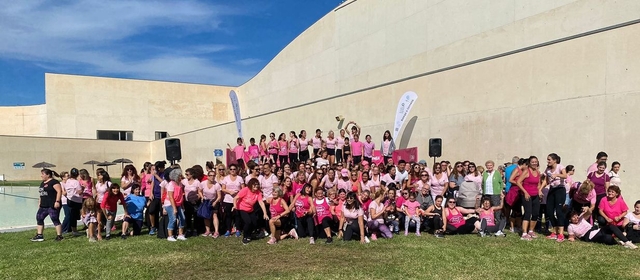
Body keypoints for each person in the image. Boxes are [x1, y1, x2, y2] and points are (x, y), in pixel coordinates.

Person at [31, 169, 64, 242]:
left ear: (48, 175)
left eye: (43, 174)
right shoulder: (42, 183)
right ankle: (39, 235)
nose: (41, 175)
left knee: (55, 219)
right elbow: (41, 194)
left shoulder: (54, 182)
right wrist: (39, 202)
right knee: (39, 218)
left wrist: (57, 201)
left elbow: (59, 191)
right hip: (44, 205)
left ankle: (59, 236)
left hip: (52, 205)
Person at [233, 178, 269, 245]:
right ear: (251, 185)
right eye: (254, 185)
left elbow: (261, 202)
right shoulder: (245, 190)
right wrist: (234, 206)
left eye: (257, 184)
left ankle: (249, 235)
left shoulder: (258, 193)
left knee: (254, 223)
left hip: (250, 209)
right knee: (248, 222)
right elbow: (236, 198)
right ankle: (245, 237)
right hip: (242, 208)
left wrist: (265, 213)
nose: (256, 186)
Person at [515, 156, 542, 241]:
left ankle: (531, 231)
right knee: (528, 213)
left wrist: (539, 191)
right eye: (532, 162)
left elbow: (538, 184)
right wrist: (525, 192)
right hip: (526, 195)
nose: (534, 163)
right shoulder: (526, 171)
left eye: (536, 162)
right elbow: (518, 182)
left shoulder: (538, 172)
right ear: (529, 163)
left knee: (535, 213)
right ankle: (524, 233)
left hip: (535, 195)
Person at [542, 153, 568, 242]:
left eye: (549, 159)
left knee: (559, 211)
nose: (548, 161)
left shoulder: (560, 167)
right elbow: (546, 181)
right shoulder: (548, 169)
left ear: (555, 160)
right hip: (552, 190)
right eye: (547, 159)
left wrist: (557, 175)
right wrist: (540, 189)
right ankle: (554, 231)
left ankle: (560, 234)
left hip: (560, 190)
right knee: (549, 211)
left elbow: (565, 175)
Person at [221, 164, 244, 237]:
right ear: (229, 170)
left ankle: (238, 229)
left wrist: (238, 192)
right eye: (231, 169)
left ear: (236, 170)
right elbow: (223, 188)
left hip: (237, 199)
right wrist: (229, 192)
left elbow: (243, 189)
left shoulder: (240, 178)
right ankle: (228, 230)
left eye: (234, 169)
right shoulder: (226, 178)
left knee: (237, 215)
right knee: (228, 215)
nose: (232, 170)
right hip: (228, 199)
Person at [163, 169, 186, 242]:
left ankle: (180, 234)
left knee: (182, 218)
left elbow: (180, 195)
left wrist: (181, 205)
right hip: (170, 204)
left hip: (178, 203)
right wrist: (174, 208)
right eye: (179, 175)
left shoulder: (180, 184)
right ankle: (170, 236)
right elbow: (170, 197)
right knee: (173, 219)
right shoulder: (171, 184)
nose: (181, 177)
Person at [199, 169, 222, 238]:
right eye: (210, 175)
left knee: (214, 215)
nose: (212, 177)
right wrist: (202, 197)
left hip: (214, 201)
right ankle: (208, 231)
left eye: (213, 176)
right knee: (206, 216)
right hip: (206, 201)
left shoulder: (217, 185)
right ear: (208, 176)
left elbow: (219, 196)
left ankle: (216, 231)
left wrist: (215, 202)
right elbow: (199, 191)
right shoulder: (203, 183)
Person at [62, 168, 84, 237]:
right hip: (76, 200)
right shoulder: (76, 182)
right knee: (75, 216)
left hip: (69, 199)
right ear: (77, 174)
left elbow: (67, 190)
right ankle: (74, 230)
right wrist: (83, 188)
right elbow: (79, 192)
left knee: (72, 215)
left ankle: (73, 229)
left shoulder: (68, 181)